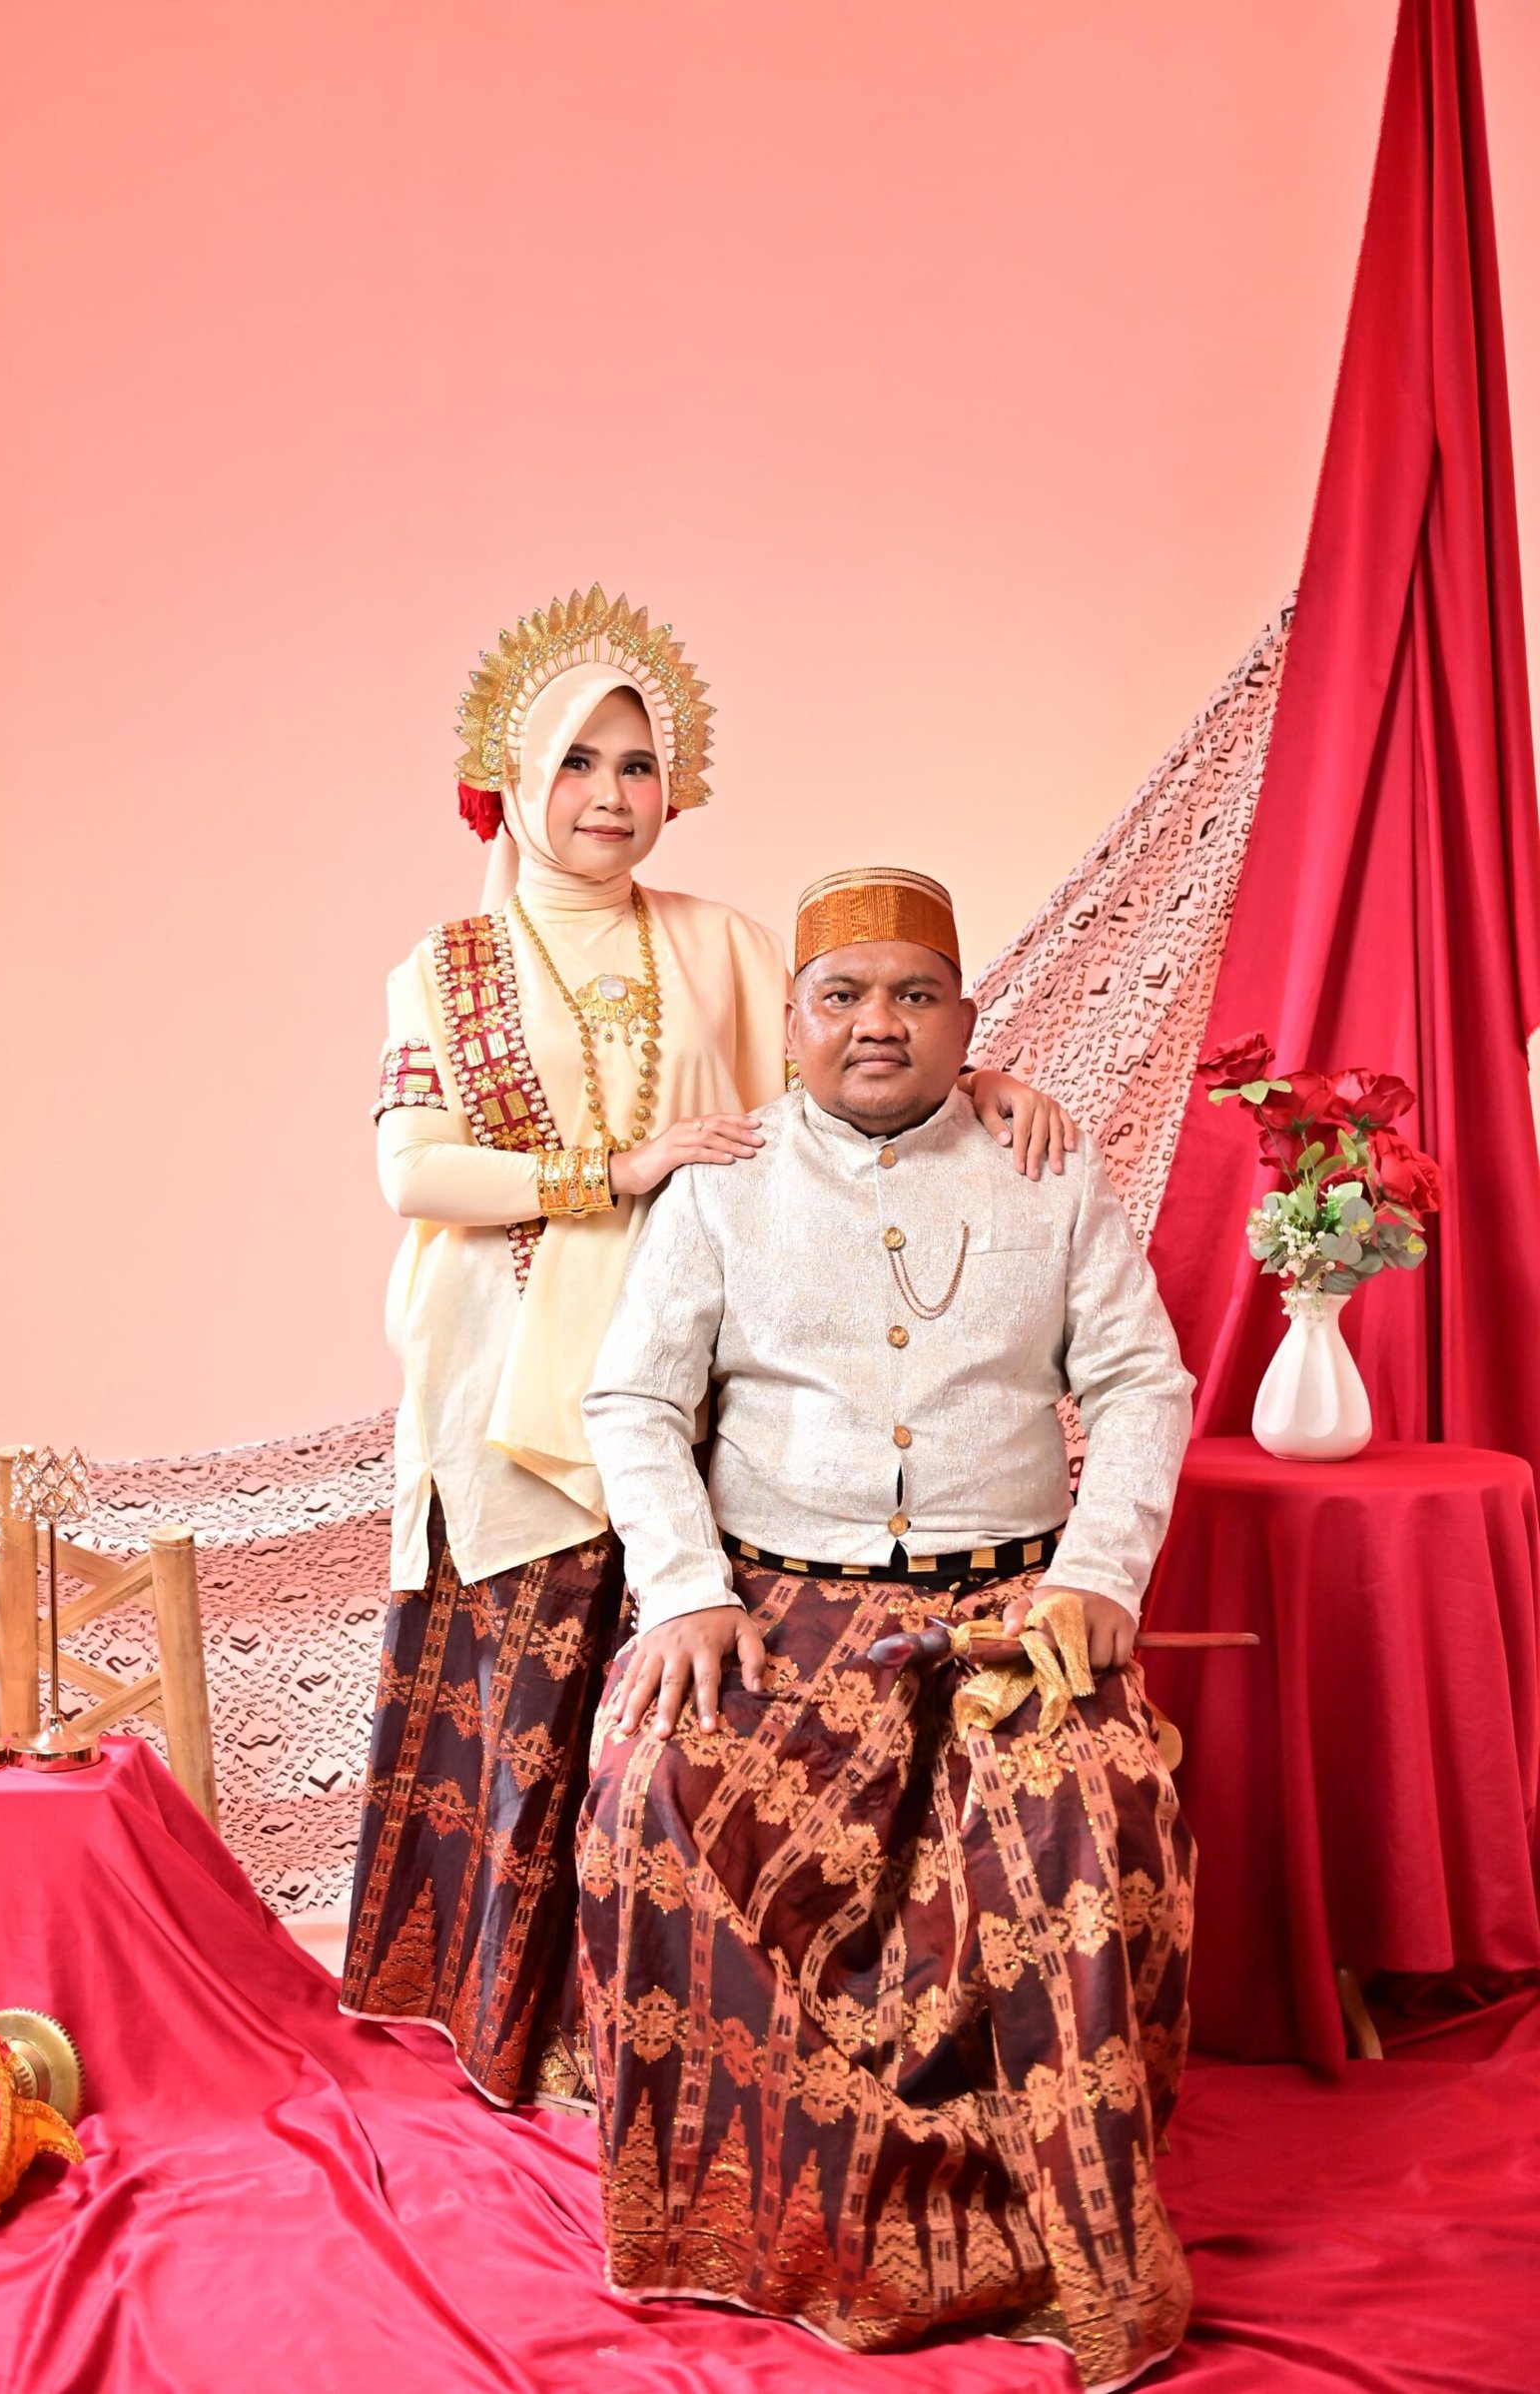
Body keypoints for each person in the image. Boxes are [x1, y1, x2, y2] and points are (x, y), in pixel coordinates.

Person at [342, 595, 1071, 2108]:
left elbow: (833, 1074)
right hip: (510, 1374)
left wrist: (978, 1077)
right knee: (533, 1701)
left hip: (703, 1376)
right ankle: (513, 2029)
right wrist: (612, 1170)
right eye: (577, 762)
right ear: (513, 778)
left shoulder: (723, 942)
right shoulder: (450, 965)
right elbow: (414, 1171)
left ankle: (659, 2022)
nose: (611, 795)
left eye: (638, 764)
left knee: (678, 1703)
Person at [578, 864, 1195, 2386]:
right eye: (843, 995)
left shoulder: (1046, 1164)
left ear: (966, 1022)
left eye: (915, 994)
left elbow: (1141, 1384)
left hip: (1016, 1605)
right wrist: (687, 1588)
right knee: (653, 1784)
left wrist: (1099, 1577)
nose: (879, 1022)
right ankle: (726, 2211)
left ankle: (1065, 2221)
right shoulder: (722, 1184)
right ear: (792, 1022)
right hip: (775, 1605)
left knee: (1097, 1799)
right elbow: (633, 1399)